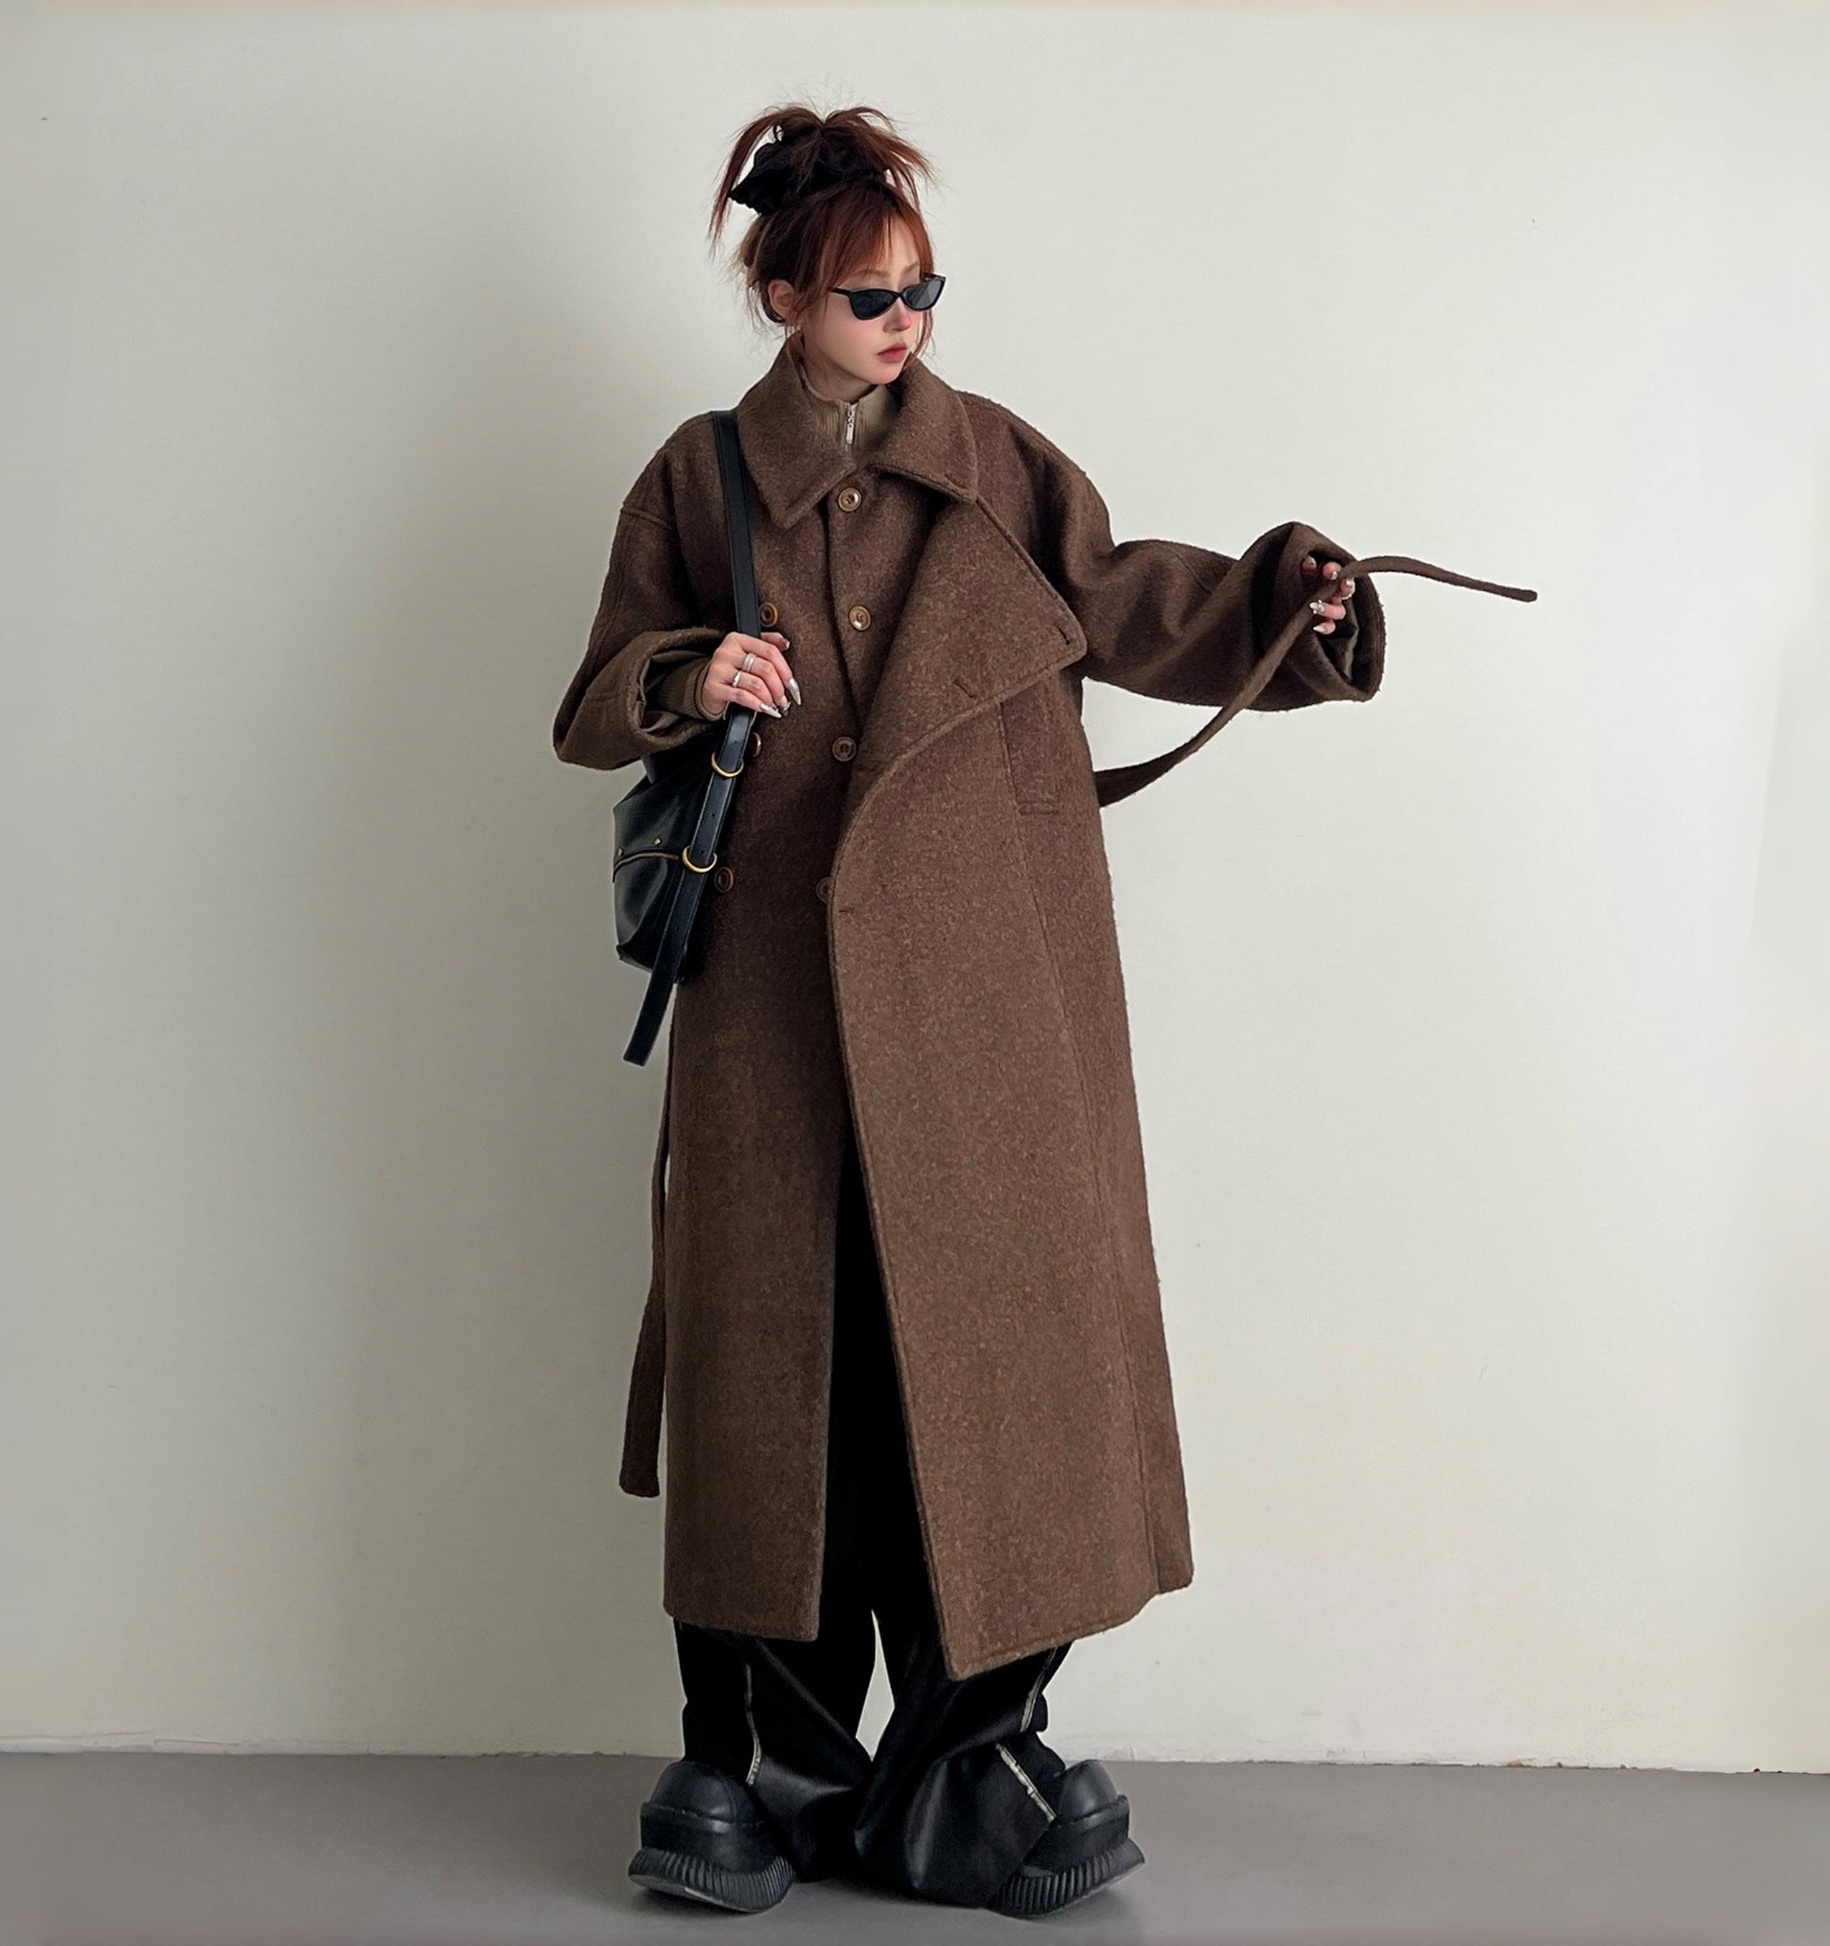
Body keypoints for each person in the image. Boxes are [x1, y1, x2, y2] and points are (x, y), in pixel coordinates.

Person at [552, 103, 1527, 1920]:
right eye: (869, 294)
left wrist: (1289, 602)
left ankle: (963, 1761)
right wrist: (691, 671)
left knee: (997, 1367)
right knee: (781, 1367)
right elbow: (594, 697)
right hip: (770, 1008)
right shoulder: (696, 482)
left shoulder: (993, 464)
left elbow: (1130, 598)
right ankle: (760, 1761)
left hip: (991, 1000)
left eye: (924, 288)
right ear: (781, 298)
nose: (903, 320)